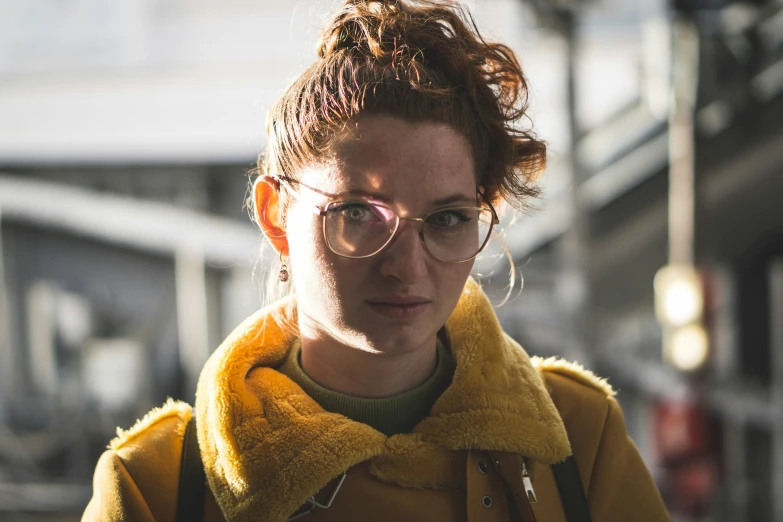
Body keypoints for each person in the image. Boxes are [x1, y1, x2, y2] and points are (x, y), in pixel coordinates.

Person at [83, 1, 671, 521]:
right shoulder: (157, 487)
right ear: (275, 213)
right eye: (359, 214)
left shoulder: (576, 439)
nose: (407, 267)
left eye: (446, 219)